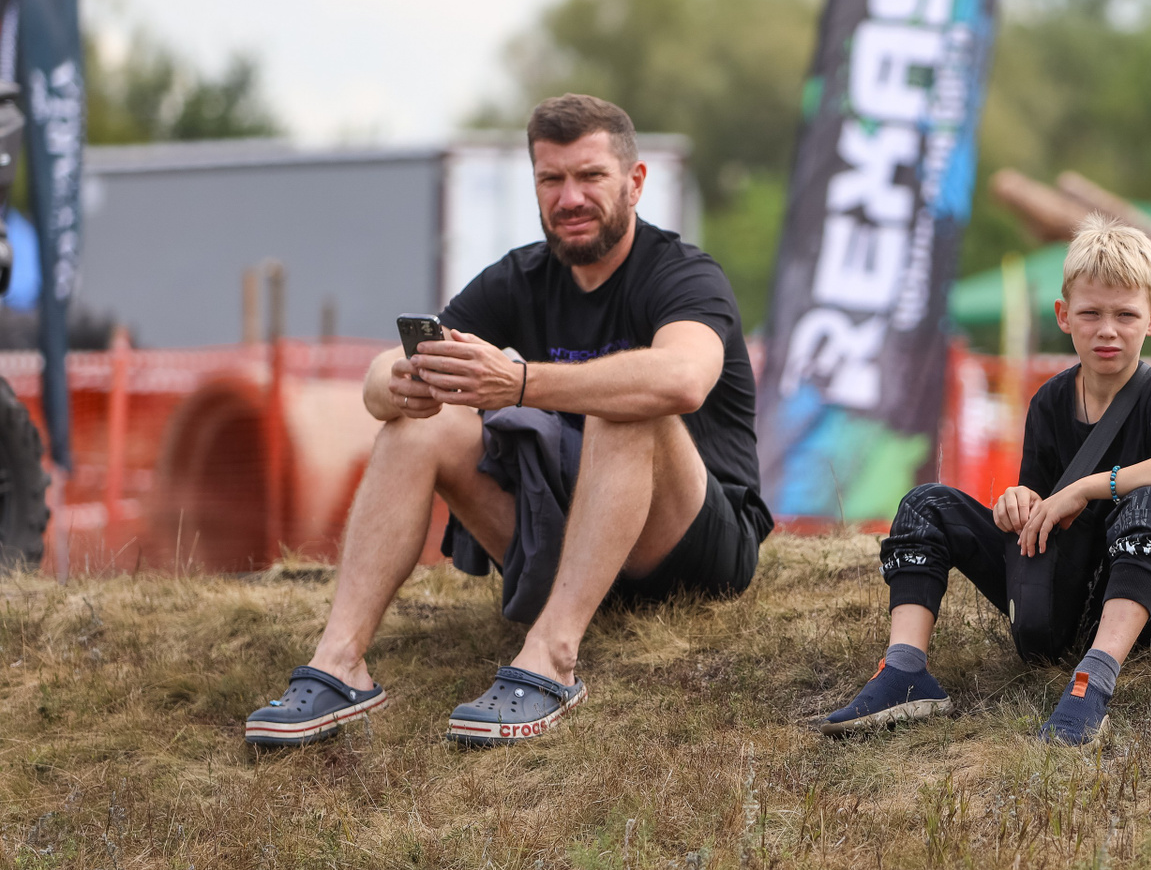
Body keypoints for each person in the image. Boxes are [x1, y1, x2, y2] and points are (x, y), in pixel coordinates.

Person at [246, 94, 770, 748]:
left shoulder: (683, 274)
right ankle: (340, 665)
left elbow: (683, 379)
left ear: (634, 183)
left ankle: (552, 657)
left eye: (590, 176)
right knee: (419, 424)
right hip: (573, 541)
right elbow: (384, 374)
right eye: (551, 179)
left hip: (695, 549)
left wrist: (520, 383)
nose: (570, 198)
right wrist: (400, 385)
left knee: (627, 402)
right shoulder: (520, 276)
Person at [821, 216, 1151, 745]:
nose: (1107, 329)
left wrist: (1089, 487)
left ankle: (1094, 681)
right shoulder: (1049, 401)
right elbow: (1040, 514)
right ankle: (904, 672)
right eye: (1091, 313)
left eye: (1126, 314)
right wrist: (1019, 502)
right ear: (1063, 315)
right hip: (1074, 593)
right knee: (924, 504)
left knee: (1150, 501)